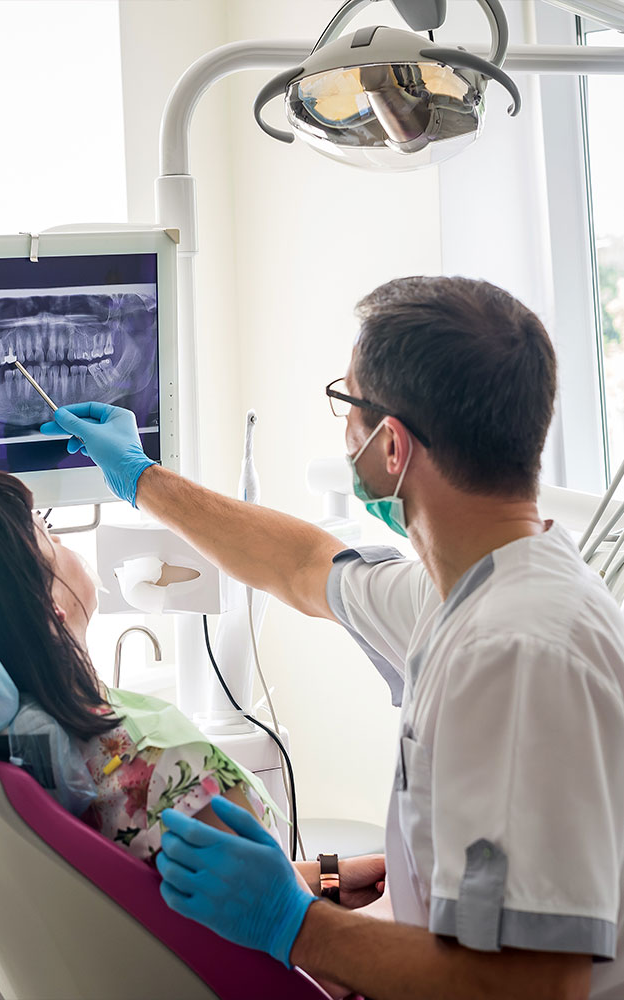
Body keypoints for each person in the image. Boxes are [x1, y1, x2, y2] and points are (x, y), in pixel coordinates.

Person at [38, 275, 624, 1000]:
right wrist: (140, 479)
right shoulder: (463, 592)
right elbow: (301, 565)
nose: (340, 427)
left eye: (345, 404)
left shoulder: (516, 650)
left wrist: (296, 923)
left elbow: (538, 983)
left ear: (390, 447)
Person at [0, 468, 374, 904]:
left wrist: (328, 877)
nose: (64, 543)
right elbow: (282, 932)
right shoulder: (157, 774)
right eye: (50, 536)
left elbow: (205, 891)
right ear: (52, 610)